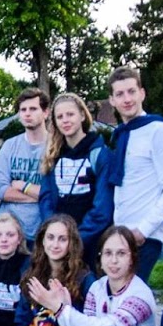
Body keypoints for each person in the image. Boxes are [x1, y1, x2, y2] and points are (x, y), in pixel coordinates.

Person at [91, 66, 163, 280]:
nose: (127, 99)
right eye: (120, 94)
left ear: (142, 93)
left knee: (130, 299)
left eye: (131, 91)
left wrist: (143, 231)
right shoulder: (122, 135)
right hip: (122, 233)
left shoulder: (158, 131)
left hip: (145, 234)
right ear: (112, 100)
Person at [38, 93, 105, 228]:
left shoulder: (99, 154)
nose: (65, 120)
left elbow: (102, 207)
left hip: (88, 240)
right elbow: (46, 199)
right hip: (58, 240)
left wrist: (78, 238)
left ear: (82, 115)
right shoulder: (52, 156)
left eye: (70, 114)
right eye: (60, 117)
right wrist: (55, 231)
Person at [0, 88, 50, 243]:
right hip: (10, 235)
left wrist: (22, 186)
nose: (27, 113)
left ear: (46, 112)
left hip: (42, 233)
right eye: (23, 110)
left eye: (33, 109)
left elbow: (55, 193)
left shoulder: (55, 147)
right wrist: (39, 196)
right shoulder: (9, 146)